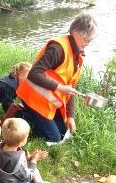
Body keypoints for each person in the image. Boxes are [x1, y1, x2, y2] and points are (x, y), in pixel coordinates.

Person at [16, 13, 97, 144]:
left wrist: (70, 116)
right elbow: (34, 73)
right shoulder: (57, 48)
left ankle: (31, 118)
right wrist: (60, 87)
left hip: (47, 103)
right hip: (32, 98)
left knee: (62, 132)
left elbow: (70, 87)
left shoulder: (77, 55)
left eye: (90, 40)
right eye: (86, 39)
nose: (88, 43)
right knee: (54, 139)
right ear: (75, 32)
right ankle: (21, 116)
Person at [0, 118, 82, 183]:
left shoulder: (1, 148)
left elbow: (9, 165)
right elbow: (27, 177)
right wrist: (33, 161)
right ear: (22, 142)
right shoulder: (16, 158)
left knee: (35, 173)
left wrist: (27, 159)